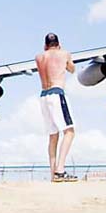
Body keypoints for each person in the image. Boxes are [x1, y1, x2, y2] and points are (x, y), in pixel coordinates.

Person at [35, 32, 78, 182]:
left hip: (44, 95)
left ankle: (54, 172)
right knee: (70, 131)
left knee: (53, 135)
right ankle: (60, 170)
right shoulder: (64, 53)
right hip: (57, 92)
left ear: (45, 45)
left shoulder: (39, 57)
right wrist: (67, 58)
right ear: (58, 44)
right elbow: (72, 69)